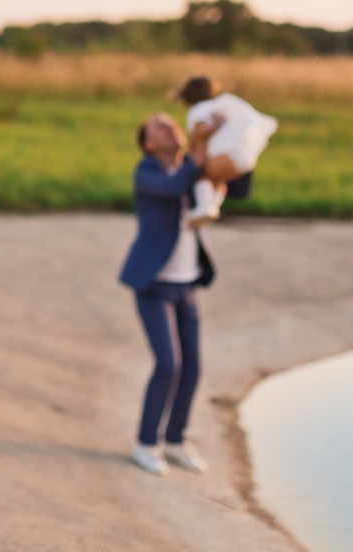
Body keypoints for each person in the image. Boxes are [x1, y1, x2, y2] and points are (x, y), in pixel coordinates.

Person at [118, 112, 216, 476]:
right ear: (149, 143)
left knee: (193, 365)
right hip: (154, 285)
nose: (170, 126)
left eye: (172, 122)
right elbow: (173, 188)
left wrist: (224, 148)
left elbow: (235, 186)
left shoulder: (193, 169)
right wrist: (200, 150)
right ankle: (145, 443)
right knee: (168, 363)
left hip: (187, 284)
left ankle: (176, 440)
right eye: (159, 126)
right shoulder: (147, 173)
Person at [175, 75, 277, 227]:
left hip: (226, 155)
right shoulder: (223, 106)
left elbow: (200, 131)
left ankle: (205, 208)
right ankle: (213, 207)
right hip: (246, 160)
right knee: (218, 180)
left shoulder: (199, 110)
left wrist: (193, 148)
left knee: (201, 175)